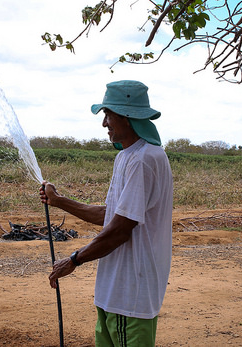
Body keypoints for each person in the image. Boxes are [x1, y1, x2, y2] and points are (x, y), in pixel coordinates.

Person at [40, 80, 173, 347]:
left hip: (130, 296)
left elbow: (121, 229)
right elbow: (111, 215)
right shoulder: (125, 156)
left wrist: (74, 260)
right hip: (114, 292)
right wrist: (59, 201)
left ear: (128, 116)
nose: (104, 123)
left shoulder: (145, 159)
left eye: (108, 115)